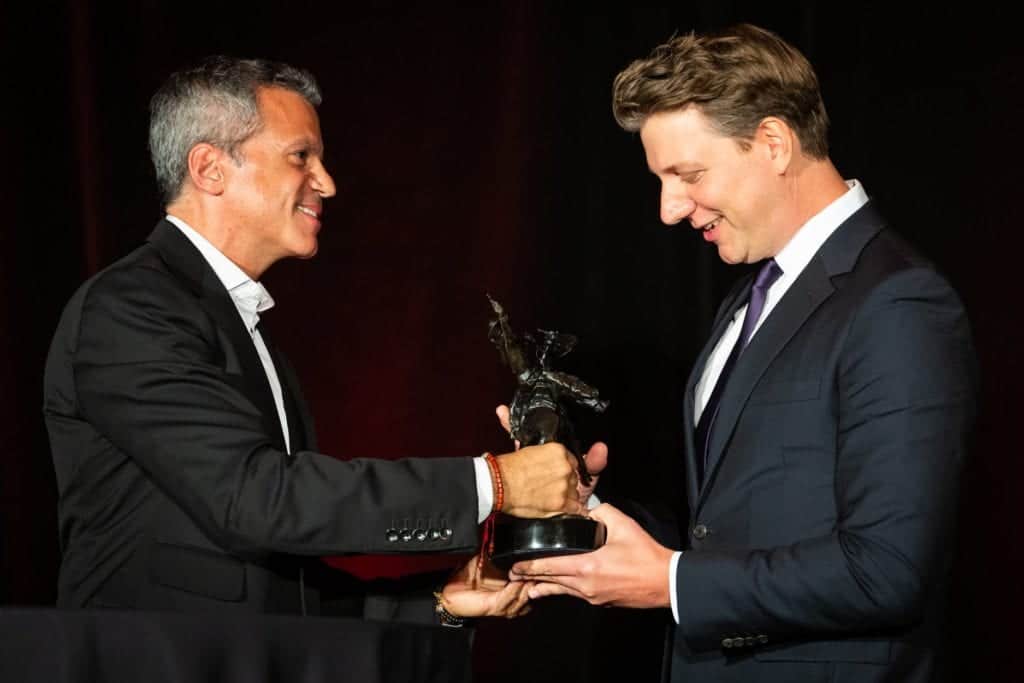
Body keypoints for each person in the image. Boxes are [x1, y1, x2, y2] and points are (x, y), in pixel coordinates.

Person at [43, 56, 600, 620]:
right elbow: (259, 500)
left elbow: (281, 576)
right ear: (209, 168)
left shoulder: (240, 326)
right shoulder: (130, 309)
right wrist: (491, 483)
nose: (327, 183)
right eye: (300, 157)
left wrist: (437, 602)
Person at [510, 23, 978, 682]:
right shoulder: (749, 295)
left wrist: (670, 581)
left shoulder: (897, 302)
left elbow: (887, 569)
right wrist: (585, 501)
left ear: (773, 143)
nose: (669, 209)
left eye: (687, 174)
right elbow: (728, 526)